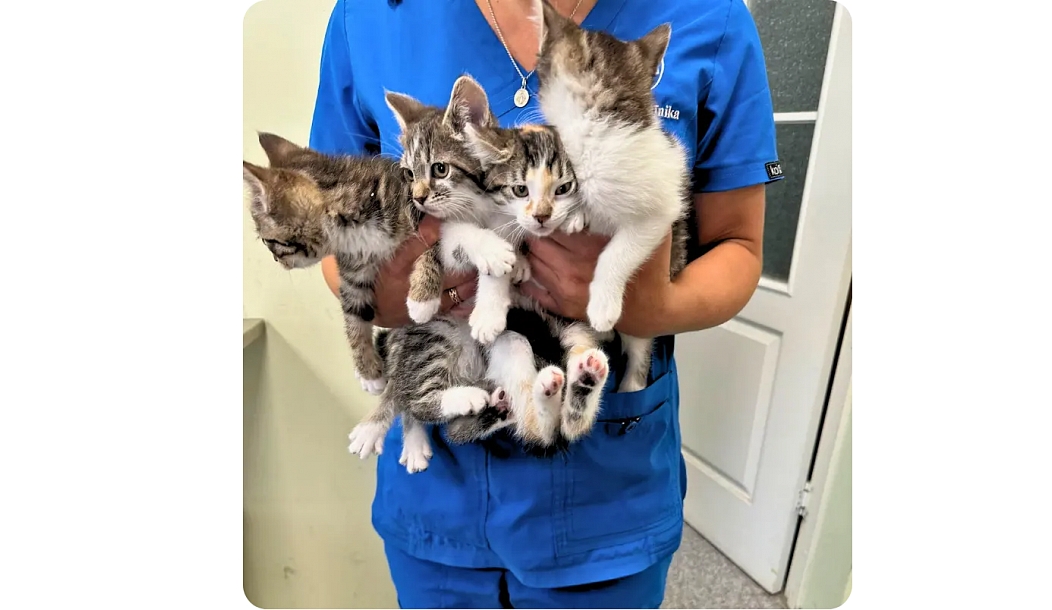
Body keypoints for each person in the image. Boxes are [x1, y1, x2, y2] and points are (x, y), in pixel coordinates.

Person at [309, 0, 781, 607]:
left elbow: (739, 246)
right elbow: (333, 242)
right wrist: (393, 299)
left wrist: (646, 304)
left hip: (606, 493)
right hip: (438, 495)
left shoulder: (705, 16)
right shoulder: (369, 17)